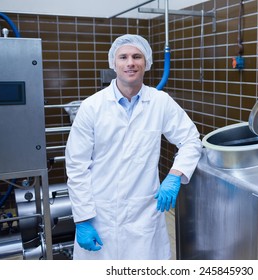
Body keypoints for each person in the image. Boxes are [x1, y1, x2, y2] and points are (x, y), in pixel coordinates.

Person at [65, 34, 203, 260]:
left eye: (137, 56)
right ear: (114, 63)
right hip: (100, 214)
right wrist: (82, 220)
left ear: (146, 62)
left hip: (144, 213)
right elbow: (77, 167)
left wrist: (175, 175)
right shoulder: (92, 107)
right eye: (124, 57)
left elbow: (190, 139)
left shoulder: (160, 102)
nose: (130, 62)